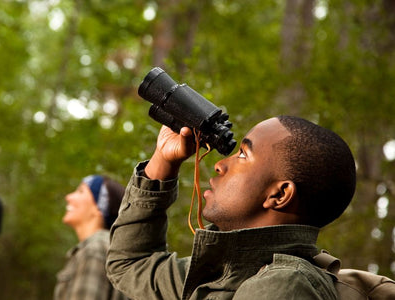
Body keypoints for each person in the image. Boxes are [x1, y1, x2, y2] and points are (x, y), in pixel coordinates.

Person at [106, 116, 357, 300]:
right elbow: (130, 265)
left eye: (243, 155)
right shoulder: (227, 275)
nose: (220, 165)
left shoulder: (283, 287)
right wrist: (164, 158)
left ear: (279, 194)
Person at [54, 175, 129, 300]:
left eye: (81, 191)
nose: (68, 197)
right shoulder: (106, 247)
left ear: (99, 207)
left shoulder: (94, 250)